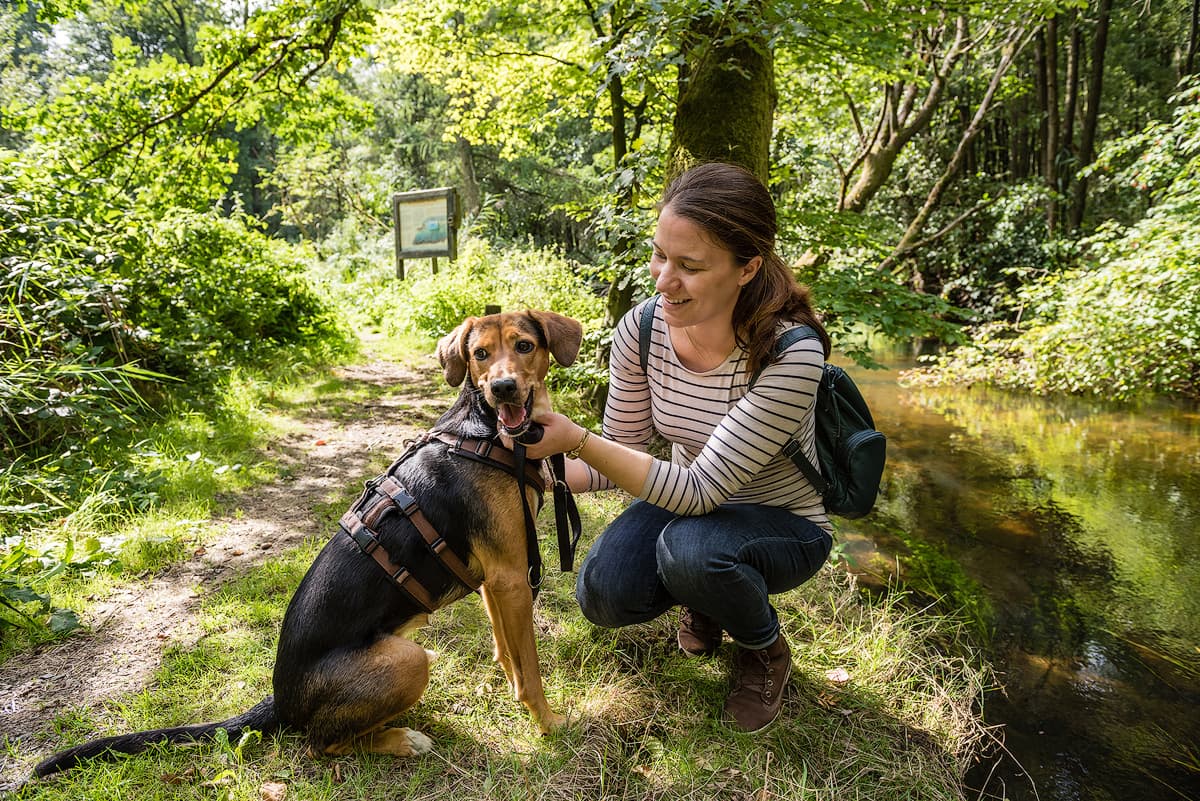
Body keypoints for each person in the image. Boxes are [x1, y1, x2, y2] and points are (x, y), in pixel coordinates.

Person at [524, 162, 834, 733]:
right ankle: (708, 595)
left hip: (784, 524)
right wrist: (534, 471)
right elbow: (621, 450)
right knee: (603, 593)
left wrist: (578, 440)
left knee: (691, 549)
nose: (664, 279)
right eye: (659, 255)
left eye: (690, 266)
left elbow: (697, 490)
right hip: (690, 508)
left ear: (748, 269)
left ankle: (764, 649)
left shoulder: (792, 353)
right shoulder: (641, 331)